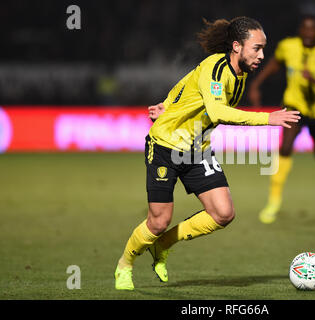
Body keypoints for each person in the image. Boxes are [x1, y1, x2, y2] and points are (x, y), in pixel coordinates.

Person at [114, 16, 300, 290]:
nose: (262, 55)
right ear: (237, 46)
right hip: (166, 145)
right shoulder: (216, 68)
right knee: (159, 221)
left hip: (196, 150)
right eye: (256, 48)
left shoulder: (241, 74)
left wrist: (168, 104)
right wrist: (266, 119)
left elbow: (187, 82)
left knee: (223, 213)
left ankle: (163, 246)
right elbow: (217, 112)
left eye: (263, 48)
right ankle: (125, 264)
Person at [248, 15, 315, 224]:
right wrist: (256, 85)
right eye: (305, 29)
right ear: (300, 30)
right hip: (295, 105)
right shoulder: (288, 46)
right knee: (284, 148)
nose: (309, 33)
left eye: (313, 29)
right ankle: (273, 202)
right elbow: (274, 64)